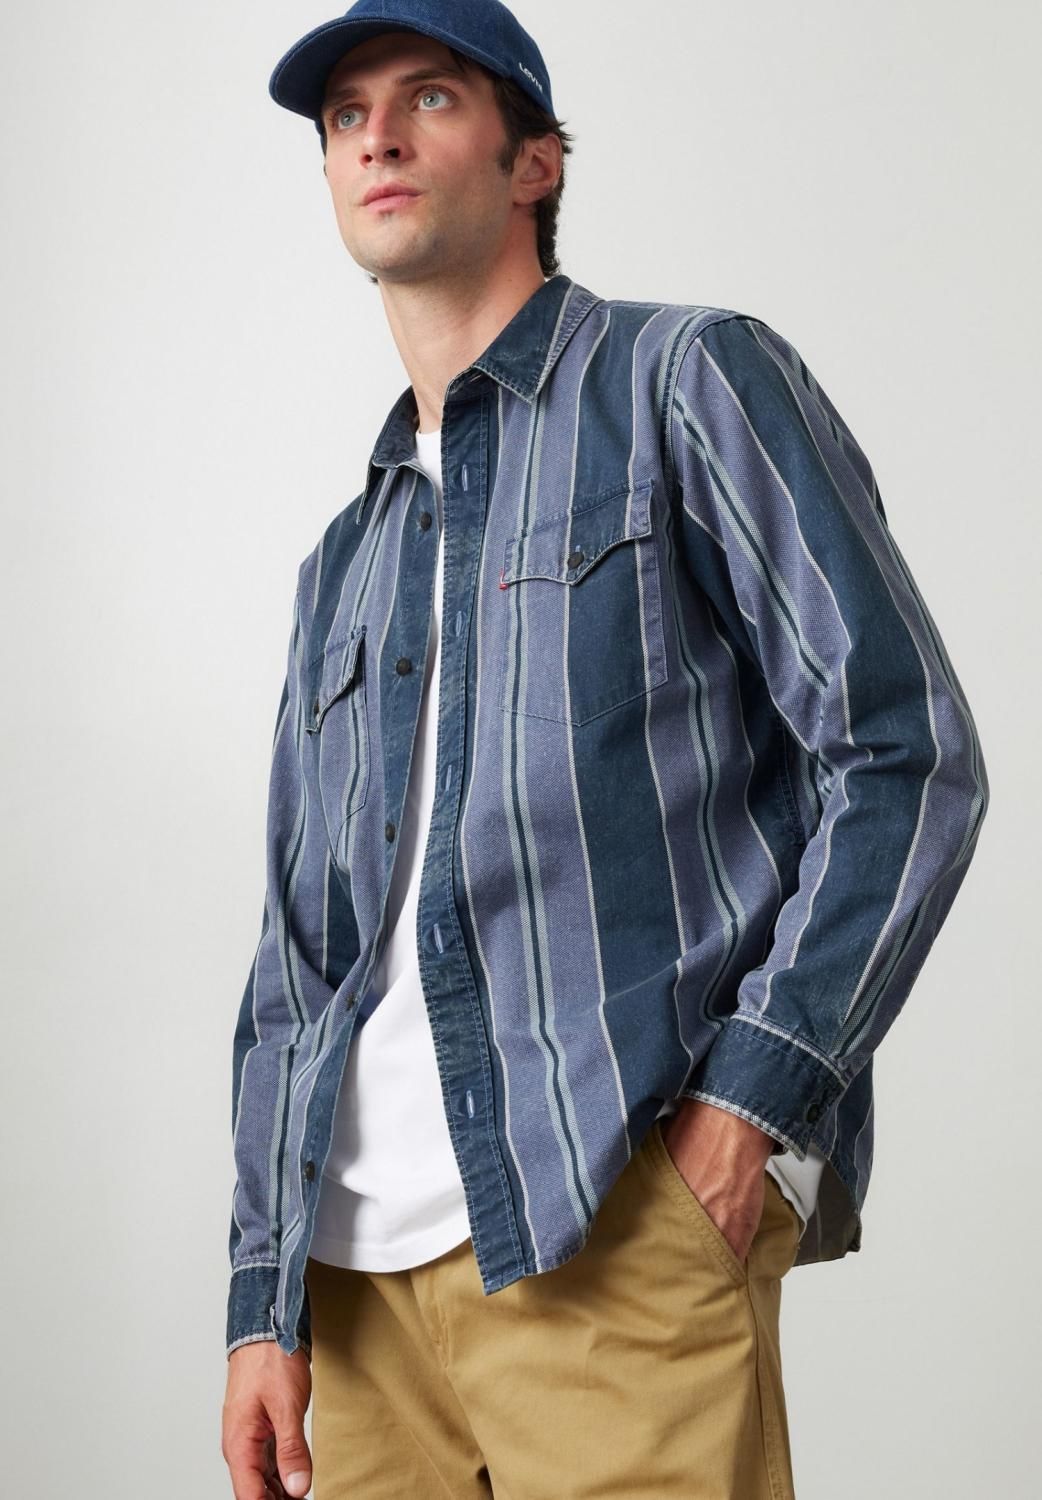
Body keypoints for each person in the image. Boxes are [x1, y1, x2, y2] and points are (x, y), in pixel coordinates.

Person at [220, 3, 990, 1497]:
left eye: (429, 97)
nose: (376, 137)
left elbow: (903, 755)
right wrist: (262, 1297)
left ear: (535, 163)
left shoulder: (685, 380)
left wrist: (749, 1105)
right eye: (345, 117)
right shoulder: (344, 562)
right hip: (356, 1299)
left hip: (606, 1227)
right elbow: (297, 959)